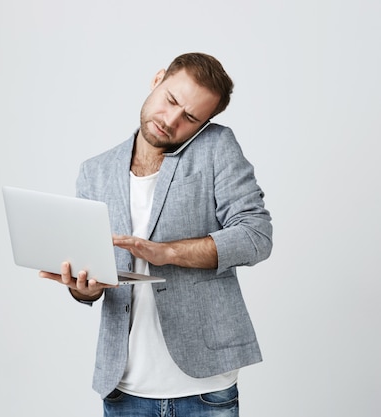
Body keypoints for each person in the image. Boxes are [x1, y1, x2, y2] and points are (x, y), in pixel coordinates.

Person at [39, 52, 272, 417]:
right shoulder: (95, 172)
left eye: (191, 117)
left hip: (206, 389)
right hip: (123, 387)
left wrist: (168, 253)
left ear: (205, 124)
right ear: (158, 79)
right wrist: (83, 289)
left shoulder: (218, 147)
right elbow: (89, 273)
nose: (171, 120)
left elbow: (256, 234)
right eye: (172, 100)